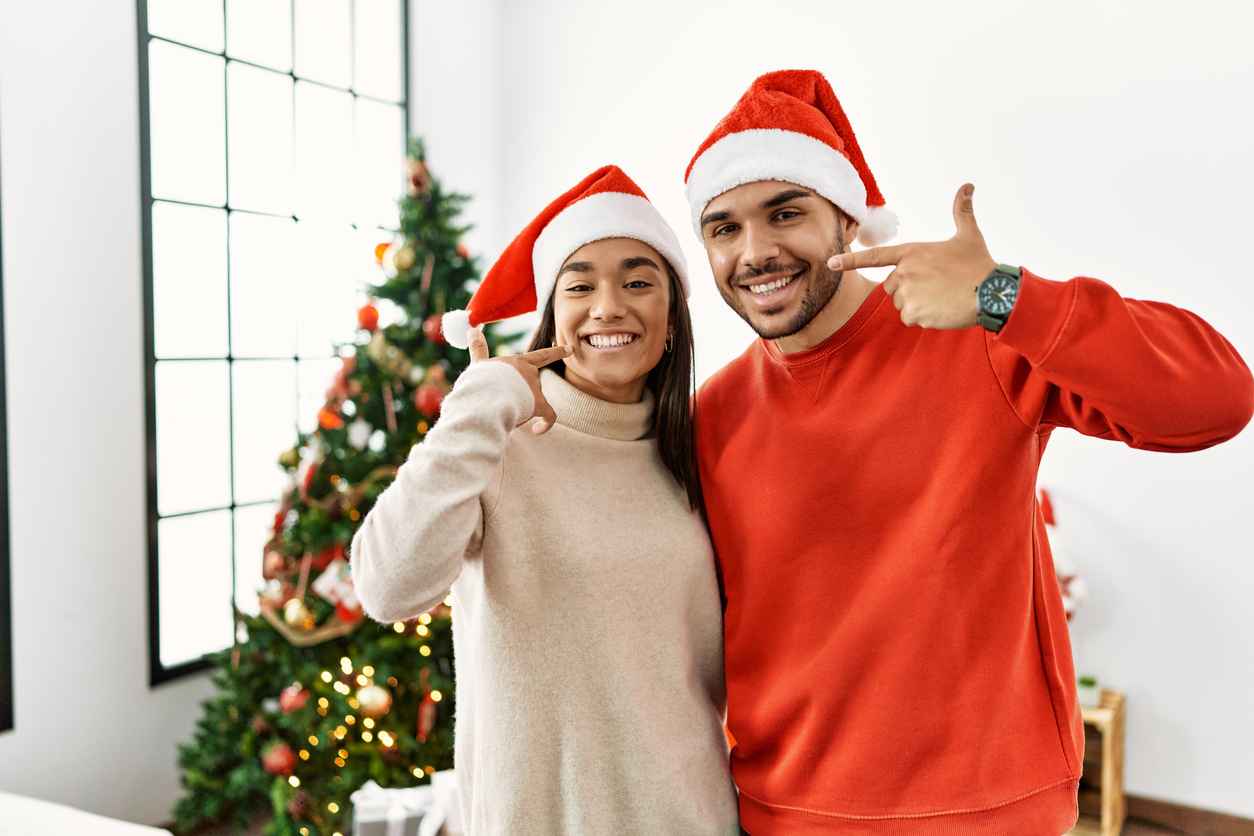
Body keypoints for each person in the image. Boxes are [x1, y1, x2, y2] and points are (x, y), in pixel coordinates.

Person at [684, 69, 1253, 835]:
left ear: (847, 221)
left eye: (786, 212)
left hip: (989, 812)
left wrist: (1006, 296)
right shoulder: (710, 415)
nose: (755, 251)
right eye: (724, 228)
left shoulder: (975, 336)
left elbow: (1215, 400)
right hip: (784, 813)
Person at [349, 165, 740, 835]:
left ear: (672, 323)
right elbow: (386, 588)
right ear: (552, 317)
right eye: (580, 284)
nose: (609, 306)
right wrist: (478, 405)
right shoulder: (495, 445)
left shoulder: (701, 454)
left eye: (639, 282)